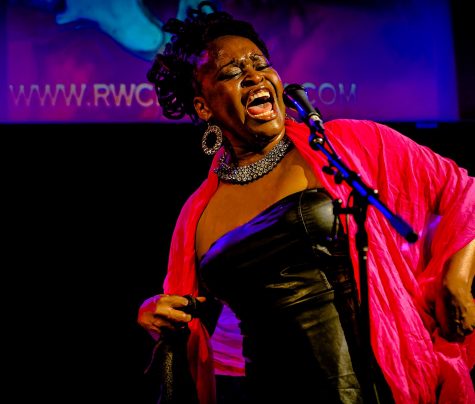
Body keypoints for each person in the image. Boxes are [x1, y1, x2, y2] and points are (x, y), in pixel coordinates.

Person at [137, 2, 475, 403]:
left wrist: (457, 278)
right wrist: (155, 311)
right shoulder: (198, 214)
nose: (254, 76)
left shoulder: (345, 147)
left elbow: (462, 190)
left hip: (373, 385)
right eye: (231, 72)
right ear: (203, 106)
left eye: (260, 64)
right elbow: (192, 318)